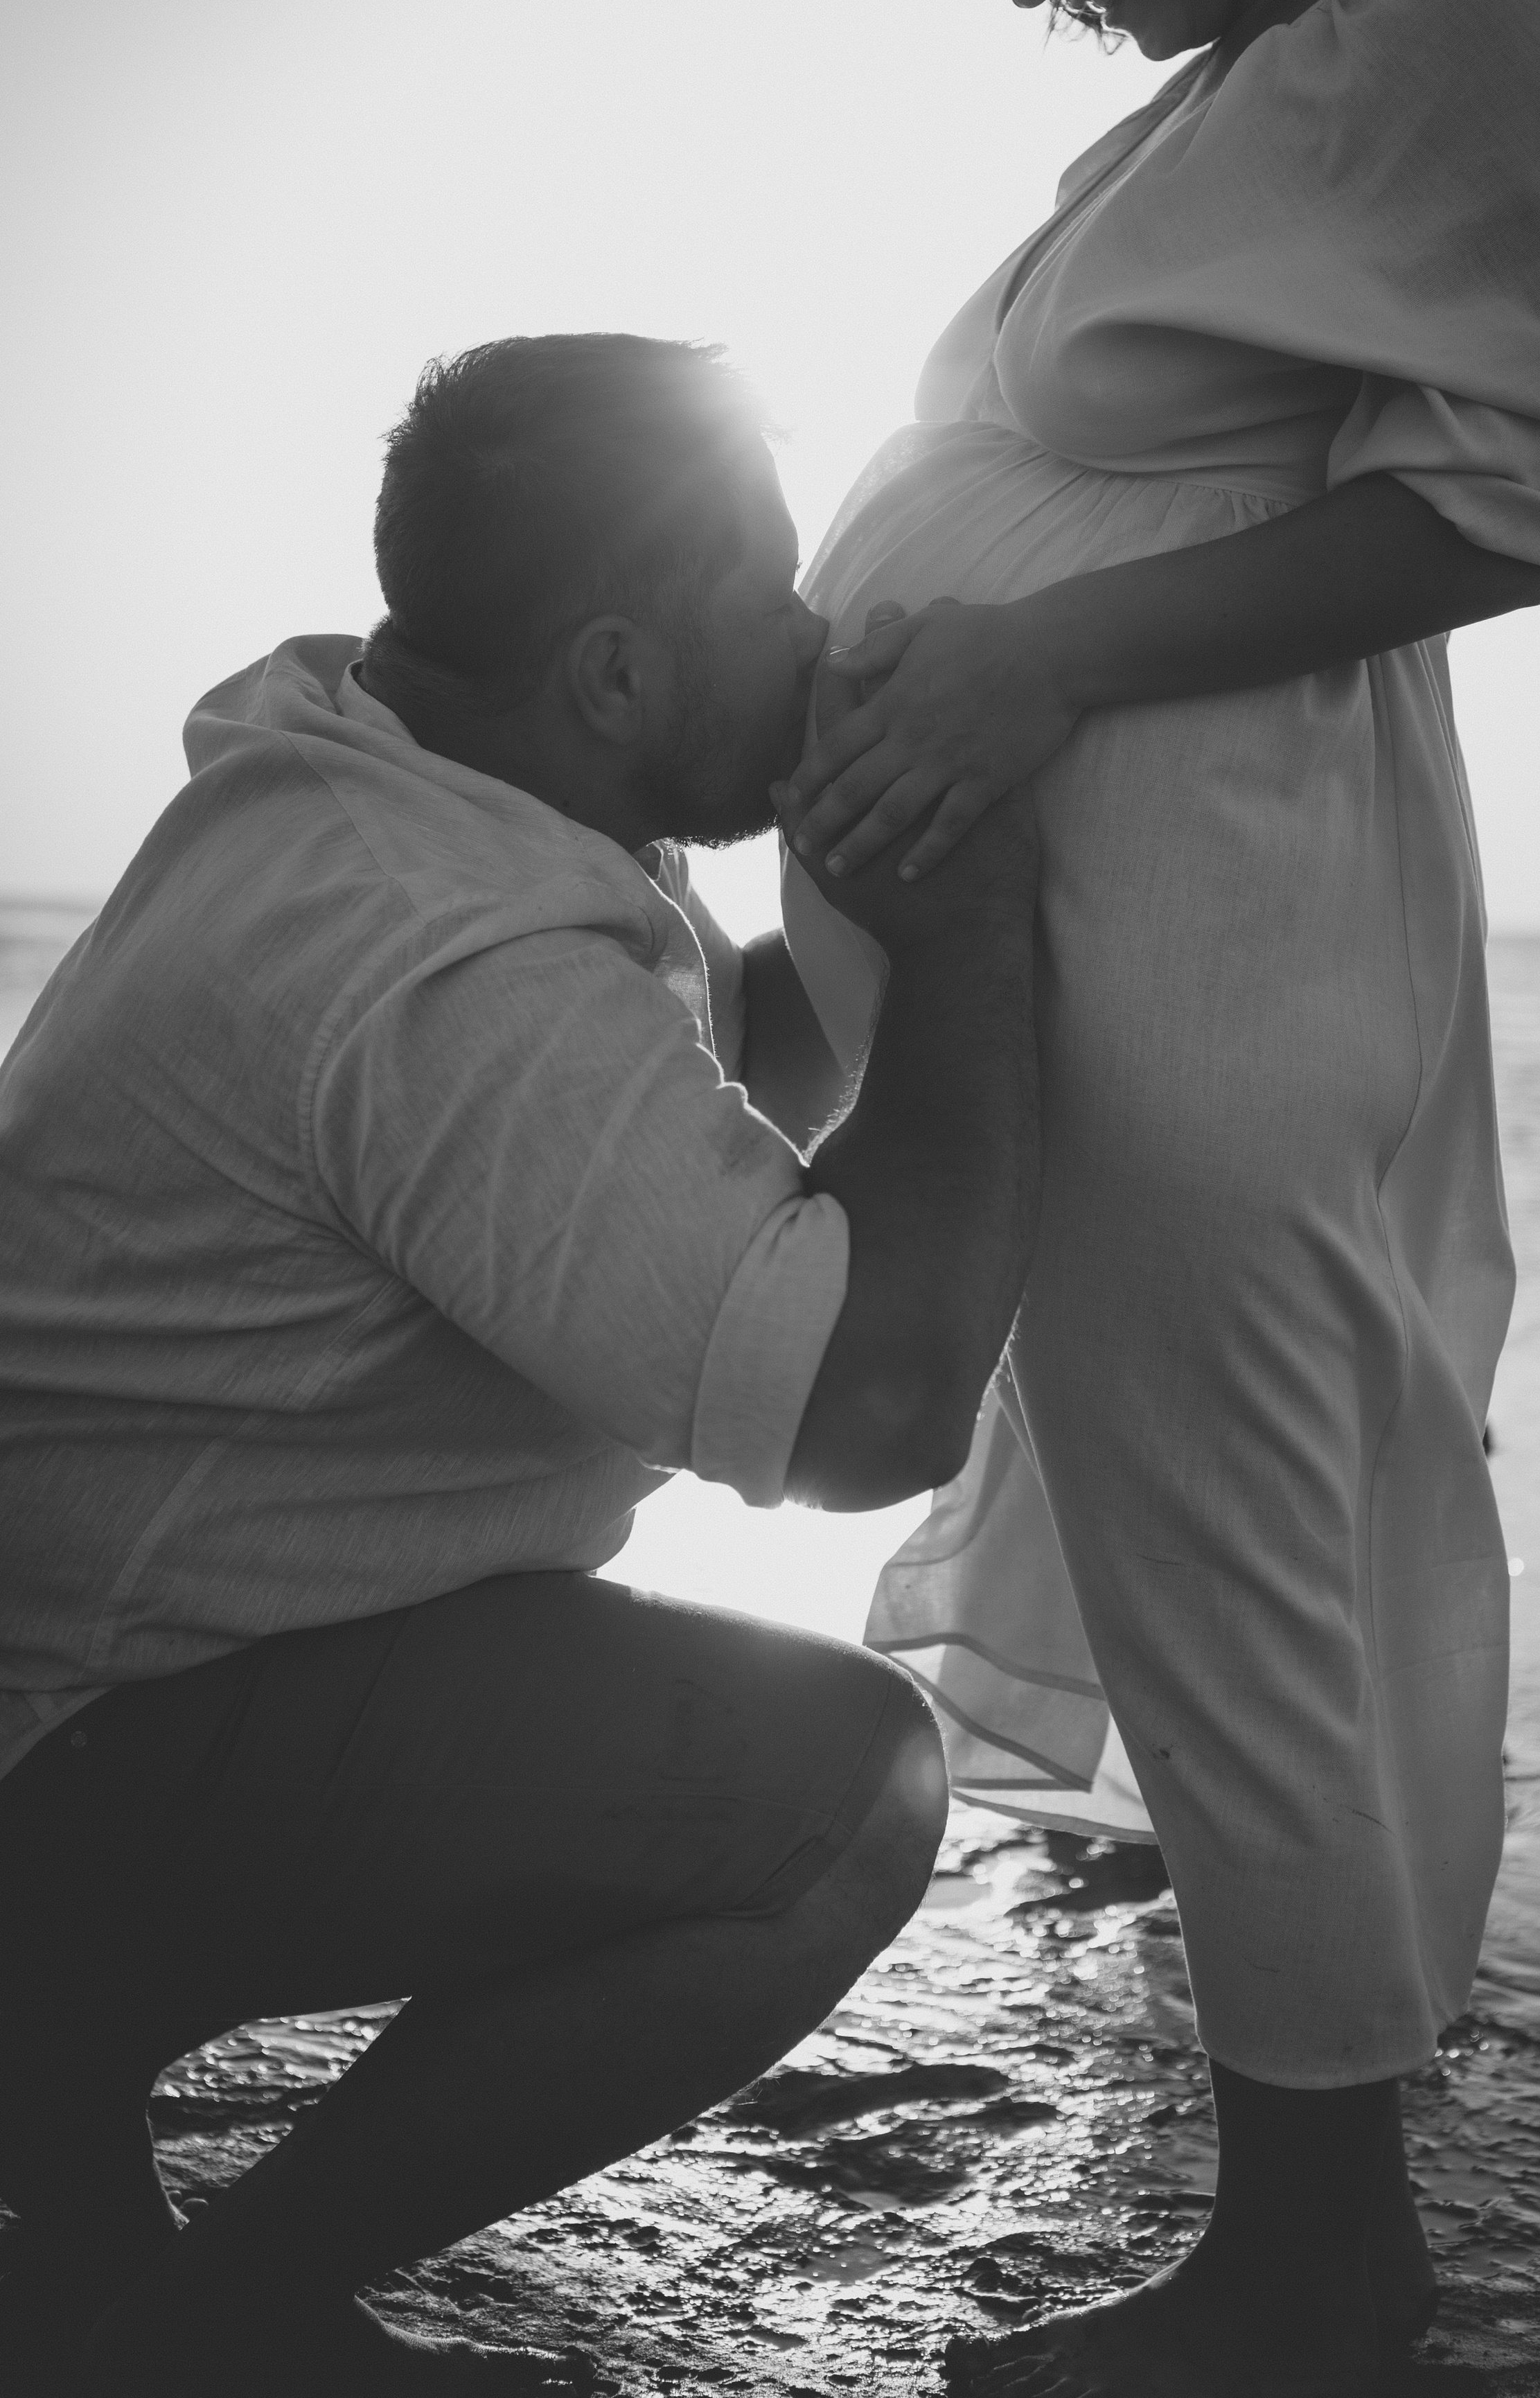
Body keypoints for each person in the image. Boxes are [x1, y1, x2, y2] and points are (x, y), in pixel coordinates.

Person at [775, 0, 1540, 2393]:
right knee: (1214, 1580)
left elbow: (1518, 488)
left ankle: (1316, 2266)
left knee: (1248, 1570)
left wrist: (1035, 653)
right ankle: (1298, 2216)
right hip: (1101, 947)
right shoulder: (1245, 92)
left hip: (1204, 948)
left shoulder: (1455, 17)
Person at [0, 331, 1044, 2395]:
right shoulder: (440, 946)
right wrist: (976, 931)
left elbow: (659, 1097)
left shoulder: (386, 774)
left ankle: (65, 2123)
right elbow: (871, 1411)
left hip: (93, 1677)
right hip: (70, 1752)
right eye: (761, 590)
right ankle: (213, 2338)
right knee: (845, 1796)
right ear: (618, 677)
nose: (813, 629)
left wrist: (854, 898)